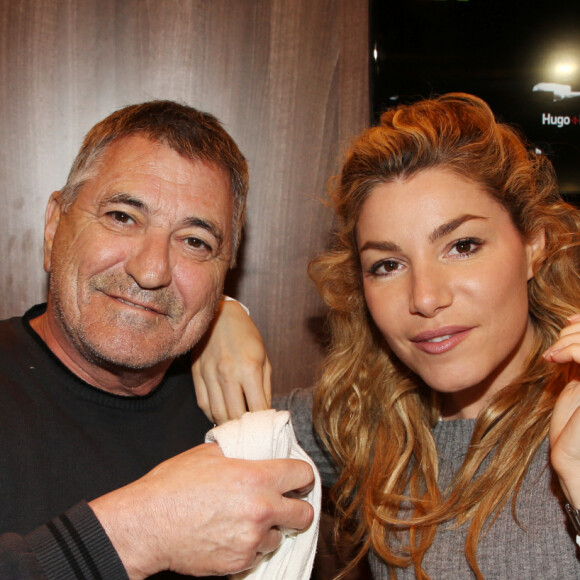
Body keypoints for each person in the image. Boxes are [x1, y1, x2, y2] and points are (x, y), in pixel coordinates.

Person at [194, 93, 580, 578]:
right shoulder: (366, 418)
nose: (425, 296)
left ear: (533, 246)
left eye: (462, 246)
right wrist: (215, 316)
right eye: (388, 265)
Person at [0, 100, 315, 580]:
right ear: (53, 227)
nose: (151, 271)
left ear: (225, 274)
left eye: (195, 242)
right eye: (123, 216)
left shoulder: (240, 427)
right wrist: (141, 532)